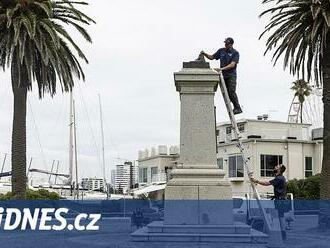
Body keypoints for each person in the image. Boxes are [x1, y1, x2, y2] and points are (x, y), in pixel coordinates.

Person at [200, 37, 242, 115]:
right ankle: (231, 106)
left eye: (227, 44)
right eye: (225, 43)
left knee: (231, 91)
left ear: (231, 44)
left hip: (231, 75)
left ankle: (237, 108)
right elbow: (212, 57)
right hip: (223, 75)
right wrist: (205, 54)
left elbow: (232, 65)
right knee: (227, 93)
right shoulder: (221, 51)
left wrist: (221, 69)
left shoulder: (235, 53)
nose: (225, 45)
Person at [251, 164, 288, 240]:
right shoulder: (280, 178)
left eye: (277, 167)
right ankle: (282, 234)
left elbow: (267, 183)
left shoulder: (279, 178)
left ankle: (282, 234)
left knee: (279, 217)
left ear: (280, 170)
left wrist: (256, 181)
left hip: (280, 201)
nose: (275, 167)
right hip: (281, 200)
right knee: (280, 217)